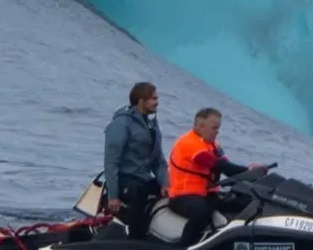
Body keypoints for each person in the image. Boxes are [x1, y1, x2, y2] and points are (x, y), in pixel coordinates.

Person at [167, 107, 266, 245]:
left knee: (246, 203)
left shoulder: (213, 145)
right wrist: (248, 171)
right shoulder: (188, 143)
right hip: (183, 196)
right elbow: (218, 165)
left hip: (207, 195)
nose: (218, 132)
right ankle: (185, 246)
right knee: (202, 211)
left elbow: (229, 168)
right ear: (201, 126)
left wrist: (253, 173)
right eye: (214, 128)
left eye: (218, 128)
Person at [102, 82, 165, 237]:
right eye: (153, 98)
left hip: (143, 178)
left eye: (157, 98)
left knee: (173, 193)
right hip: (125, 179)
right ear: (141, 101)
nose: (157, 102)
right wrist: (113, 196)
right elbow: (111, 162)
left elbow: (158, 161)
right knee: (139, 194)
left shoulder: (151, 125)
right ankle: (134, 237)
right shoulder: (122, 123)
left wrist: (166, 184)